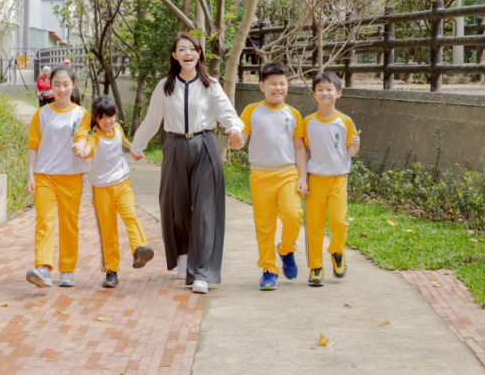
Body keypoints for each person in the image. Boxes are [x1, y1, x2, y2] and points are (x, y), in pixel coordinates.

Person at [130, 33, 244, 294]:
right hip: (175, 146)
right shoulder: (165, 85)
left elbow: (227, 113)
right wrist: (138, 146)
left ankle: (202, 272)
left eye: (192, 48)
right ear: (175, 55)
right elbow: (152, 119)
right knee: (175, 207)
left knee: (205, 210)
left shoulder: (210, 84)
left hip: (205, 145)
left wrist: (235, 129)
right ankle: (183, 257)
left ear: (199, 53)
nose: (187, 53)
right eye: (181, 49)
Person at [231, 63, 307, 291]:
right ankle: (269, 270)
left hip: (287, 173)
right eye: (273, 84)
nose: (278, 88)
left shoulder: (293, 114)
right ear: (262, 86)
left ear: (288, 86)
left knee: (293, 216)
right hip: (260, 175)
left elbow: (300, 148)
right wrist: (236, 141)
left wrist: (303, 176)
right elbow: (241, 140)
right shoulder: (252, 110)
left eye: (282, 84)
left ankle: (285, 250)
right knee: (265, 226)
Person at [76, 95, 155, 289]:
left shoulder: (118, 128)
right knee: (108, 231)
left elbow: (124, 141)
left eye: (111, 116)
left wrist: (135, 150)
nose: (108, 121)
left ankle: (140, 249)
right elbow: (88, 149)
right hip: (101, 188)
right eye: (103, 117)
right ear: (96, 119)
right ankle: (111, 271)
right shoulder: (95, 136)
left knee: (130, 215)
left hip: (122, 182)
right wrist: (81, 151)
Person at [25, 65, 90, 289]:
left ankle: (67, 269)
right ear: (49, 86)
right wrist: (30, 174)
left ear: (74, 85)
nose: (61, 89)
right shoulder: (42, 114)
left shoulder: (82, 114)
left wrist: (81, 147)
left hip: (71, 176)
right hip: (45, 176)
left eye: (65, 84)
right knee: (45, 221)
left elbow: (83, 136)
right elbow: (33, 145)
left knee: (69, 224)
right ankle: (43, 268)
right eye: (56, 85)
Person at [303, 72, 361, 286]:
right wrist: (303, 178)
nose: (325, 93)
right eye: (320, 89)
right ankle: (315, 267)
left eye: (329, 89)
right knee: (314, 226)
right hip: (315, 180)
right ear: (314, 94)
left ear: (338, 93)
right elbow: (305, 152)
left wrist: (355, 145)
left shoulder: (345, 121)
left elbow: (351, 152)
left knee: (339, 221)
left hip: (338, 179)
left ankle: (337, 252)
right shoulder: (308, 122)